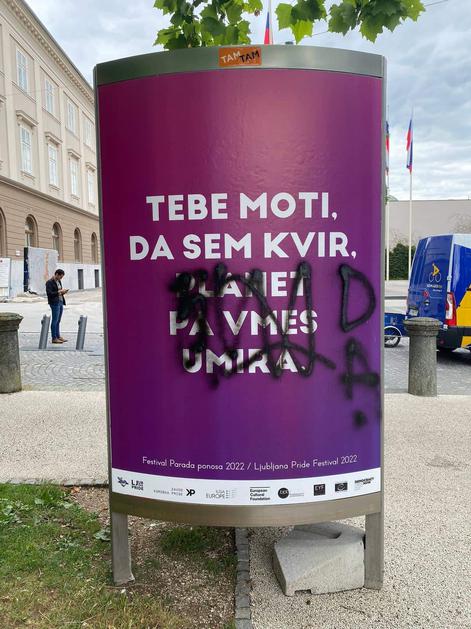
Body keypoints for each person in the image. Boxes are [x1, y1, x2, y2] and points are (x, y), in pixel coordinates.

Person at [45, 269, 69, 344]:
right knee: (55, 320)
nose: (61, 278)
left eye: (62, 277)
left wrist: (63, 292)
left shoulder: (59, 281)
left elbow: (59, 291)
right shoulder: (49, 282)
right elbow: (49, 294)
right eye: (60, 277)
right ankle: (54, 338)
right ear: (56, 274)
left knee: (58, 320)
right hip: (54, 303)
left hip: (60, 301)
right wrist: (59, 292)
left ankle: (58, 336)